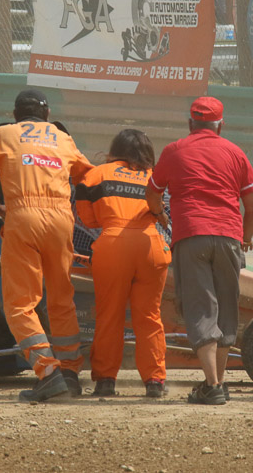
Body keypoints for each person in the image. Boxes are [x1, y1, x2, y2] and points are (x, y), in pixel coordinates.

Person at [0, 89, 94, 402]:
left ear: (15, 114)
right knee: (61, 299)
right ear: (47, 115)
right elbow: (87, 176)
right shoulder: (62, 138)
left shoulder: (1, 135)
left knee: (21, 303)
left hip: (22, 219)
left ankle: (47, 374)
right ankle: (70, 373)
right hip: (62, 221)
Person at [146, 96, 253, 405]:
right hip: (229, 237)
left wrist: (159, 214)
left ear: (190, 124)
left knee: (201, 307)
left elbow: (152, 192)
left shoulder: (174, 151)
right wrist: (245, 237)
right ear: (220, 125)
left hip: (191, 236)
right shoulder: (235, 153)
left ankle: (212, 384)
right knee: (226, 307)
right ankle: (217, 383)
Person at [75, 129, 171, 398]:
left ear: (114, 149)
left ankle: (106, 380)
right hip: (151, 245)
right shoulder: (154, 176)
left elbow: (87, 219)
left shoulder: (96, 174)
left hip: (113, 245)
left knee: (110, 316)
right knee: (150, 317)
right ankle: (155, 382)